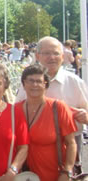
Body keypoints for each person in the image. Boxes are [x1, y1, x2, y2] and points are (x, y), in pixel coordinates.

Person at [16, 36, 88, 175]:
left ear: (62, 56)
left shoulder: (74, 82)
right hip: (35, 148)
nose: (52, 57)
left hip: (69, 144)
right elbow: (18, 110)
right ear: (37, 56)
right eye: (47, 53)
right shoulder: (29, 82)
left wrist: (85, 116)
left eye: (56, 53)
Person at [19, 64, 76, 181]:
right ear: (24, 84)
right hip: (24, 176)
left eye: (39, 81)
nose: (35, 85)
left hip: (55, 175)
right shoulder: (15, 109)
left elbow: (71, 143)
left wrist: (67, 170)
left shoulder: (58, 108)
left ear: (46, 85)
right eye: (30, 81)